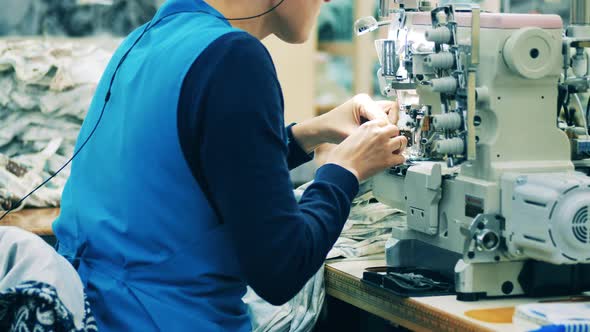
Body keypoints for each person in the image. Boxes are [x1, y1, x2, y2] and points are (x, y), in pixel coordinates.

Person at [52, 0, 408, 330]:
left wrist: (310, 132)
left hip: (100, 312)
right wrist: (345, 169)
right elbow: (281, 267)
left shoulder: (148, 39)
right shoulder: (235, 56)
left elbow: (198, 170)